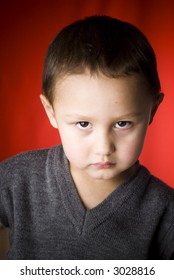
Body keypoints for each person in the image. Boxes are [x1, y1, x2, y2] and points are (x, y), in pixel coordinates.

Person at [0, 15, 174, 260]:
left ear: (152, 111)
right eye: (83, 124)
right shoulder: (15, 180)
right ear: (51, 112)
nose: (103, 148)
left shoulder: (165, 213)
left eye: (122, 124)